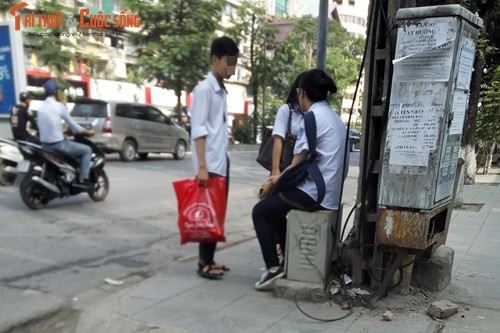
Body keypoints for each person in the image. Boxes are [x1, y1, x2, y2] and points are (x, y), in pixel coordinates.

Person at [253, 69, 347, 290]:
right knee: (275, 204)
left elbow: (296, 164)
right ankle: (288, 259)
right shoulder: (334, 117)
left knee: (261, 210)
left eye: (298, 93)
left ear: (302, 93)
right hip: (331, 192)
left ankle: (274, 268)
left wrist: (271, 182)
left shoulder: (312, 117)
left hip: (317, 194)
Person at [190, 36, 239, 279]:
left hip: (221, 161)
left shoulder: (221, 91)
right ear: (214, 60)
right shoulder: (204, 90)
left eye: (234, 64)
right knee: (208, 214)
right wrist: (201, 167)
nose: (231, 69)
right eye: (228, 63)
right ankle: (203, 263)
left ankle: (208, 258)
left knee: (216, 213)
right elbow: (198, 130)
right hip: (209, 164)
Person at [37, 79, 95, 188]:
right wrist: (88, 131)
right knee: (87, 150)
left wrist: (62, 131)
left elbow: (45, 126)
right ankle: (84, 179)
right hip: (58, 145)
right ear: (55, 92)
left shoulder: (41, 108)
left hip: (44, 145)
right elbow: (74, 126)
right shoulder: (59, 106)